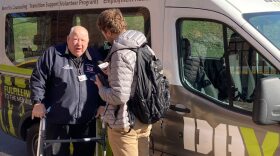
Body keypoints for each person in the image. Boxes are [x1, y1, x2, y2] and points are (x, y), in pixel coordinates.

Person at [30, 26, 105, 156]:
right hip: (57, 118)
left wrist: (102, 104)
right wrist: (38, 102)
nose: (79, 44)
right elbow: (38, 79)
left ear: (88, 42)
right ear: (68, 39)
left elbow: (104, 80)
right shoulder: (53, 54)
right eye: (75, 39)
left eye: (83, 40)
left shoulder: (94, 57)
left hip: (86, 119)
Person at [95, 9, 152, 156]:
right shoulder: (143, 45)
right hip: (144, 117)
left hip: (125, 124)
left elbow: (119, 96)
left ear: (107, 30)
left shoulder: (120, 52)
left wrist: (101, 88)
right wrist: (112, 73)